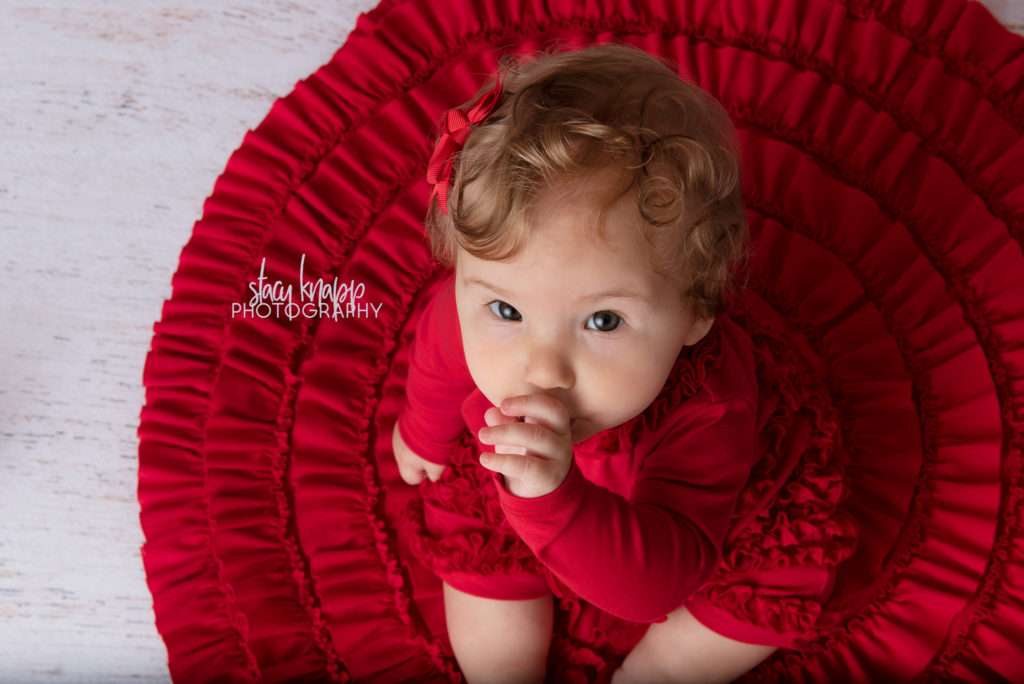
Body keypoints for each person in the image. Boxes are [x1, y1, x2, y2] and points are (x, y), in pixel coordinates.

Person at [393, 42, 791, 683]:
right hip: (521, 465)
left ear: (694, 312)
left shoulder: (711, 405)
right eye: (505, 313)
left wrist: (555, 501)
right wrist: (422, 426)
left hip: (674, 543)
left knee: (740, 616)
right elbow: (442, 346)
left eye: (603, 321)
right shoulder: (472, 309)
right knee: (481, 583)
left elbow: (654, 588)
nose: (541, 367)